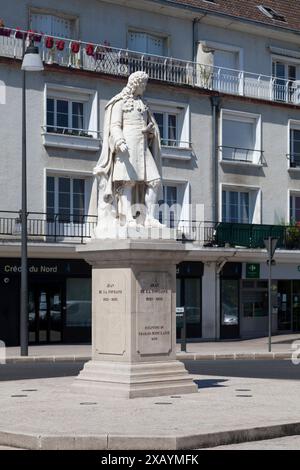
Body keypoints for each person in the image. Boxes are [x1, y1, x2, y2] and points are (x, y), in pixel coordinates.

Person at [93, 71, 164, 231]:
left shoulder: (143, 104)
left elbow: (149, 125)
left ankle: (149, 217)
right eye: (143, 84)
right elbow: (114, 125)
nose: (144, 88)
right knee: (127, 182)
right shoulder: (119, 102)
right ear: (135, 84)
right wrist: (119, 141)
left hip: (143, 146)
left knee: (155, 181)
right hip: (127, 146)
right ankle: (127, 217)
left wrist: (150, 130)